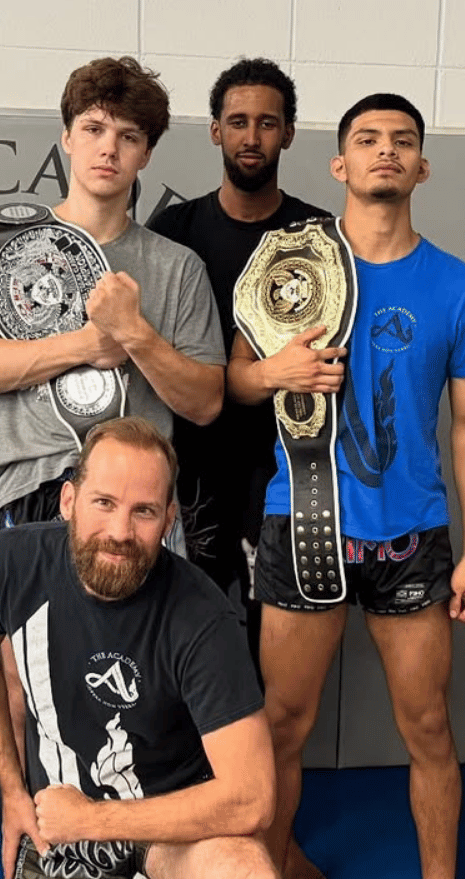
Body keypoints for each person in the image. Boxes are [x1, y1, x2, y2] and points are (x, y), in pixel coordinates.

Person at [228, 93, 465, 879]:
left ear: (422, 167)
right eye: (369, 139)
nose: (387, 150)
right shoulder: (290, 267)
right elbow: (235, 382)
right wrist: (273, 372)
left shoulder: (458, 286)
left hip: (411, 536)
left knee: (428, 727)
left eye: (403, 141)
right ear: (339, 163)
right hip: (301, 524)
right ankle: (270, 872)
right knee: (283, 725)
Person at [0, 55, 225, 770]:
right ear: (66, 137)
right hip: (31, 487)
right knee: (22, 686)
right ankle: (25, 822)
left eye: (128, 136)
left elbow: (205, 401)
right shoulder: (5, 248)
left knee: (149, 681)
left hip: (135, 503)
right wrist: (81, 345)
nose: (108, 148)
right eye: (94, 129)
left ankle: (138, 829)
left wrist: (136, 335)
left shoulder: (177, 267)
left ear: (146, 154)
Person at [0, 417, 280, 879]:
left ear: (169, 520)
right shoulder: (9, 564)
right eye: (104, 503)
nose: (120, 531)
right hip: (64, 827)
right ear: (68, 501)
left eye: (143, 511)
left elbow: (252, 798)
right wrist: (11, 789)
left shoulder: (203, 616)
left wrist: (95, 818)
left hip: (167, 828)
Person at [146, 57, 330, 607]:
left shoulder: (319, 236)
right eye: (238, 122)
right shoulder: (172, 233)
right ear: (215, 131)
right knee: (184, 624)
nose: (252, 137)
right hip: (190, 466)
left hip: (288, 469)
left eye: (267, 123)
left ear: (288, 133)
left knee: (273, 632)